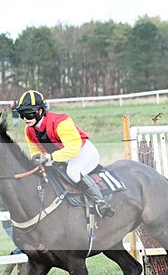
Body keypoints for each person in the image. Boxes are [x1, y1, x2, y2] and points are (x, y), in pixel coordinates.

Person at [13, 89, 115, 217]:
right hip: (59, 156)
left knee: (73, 171)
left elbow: (73, 148)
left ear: (40, 111)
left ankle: (100, 202)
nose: (24, 119)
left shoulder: (61, 122)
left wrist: (49, 157)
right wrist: (36, 158)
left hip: (82, 152)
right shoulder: (28, 131)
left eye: (28, 114)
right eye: (21, 115)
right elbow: (35, 150)